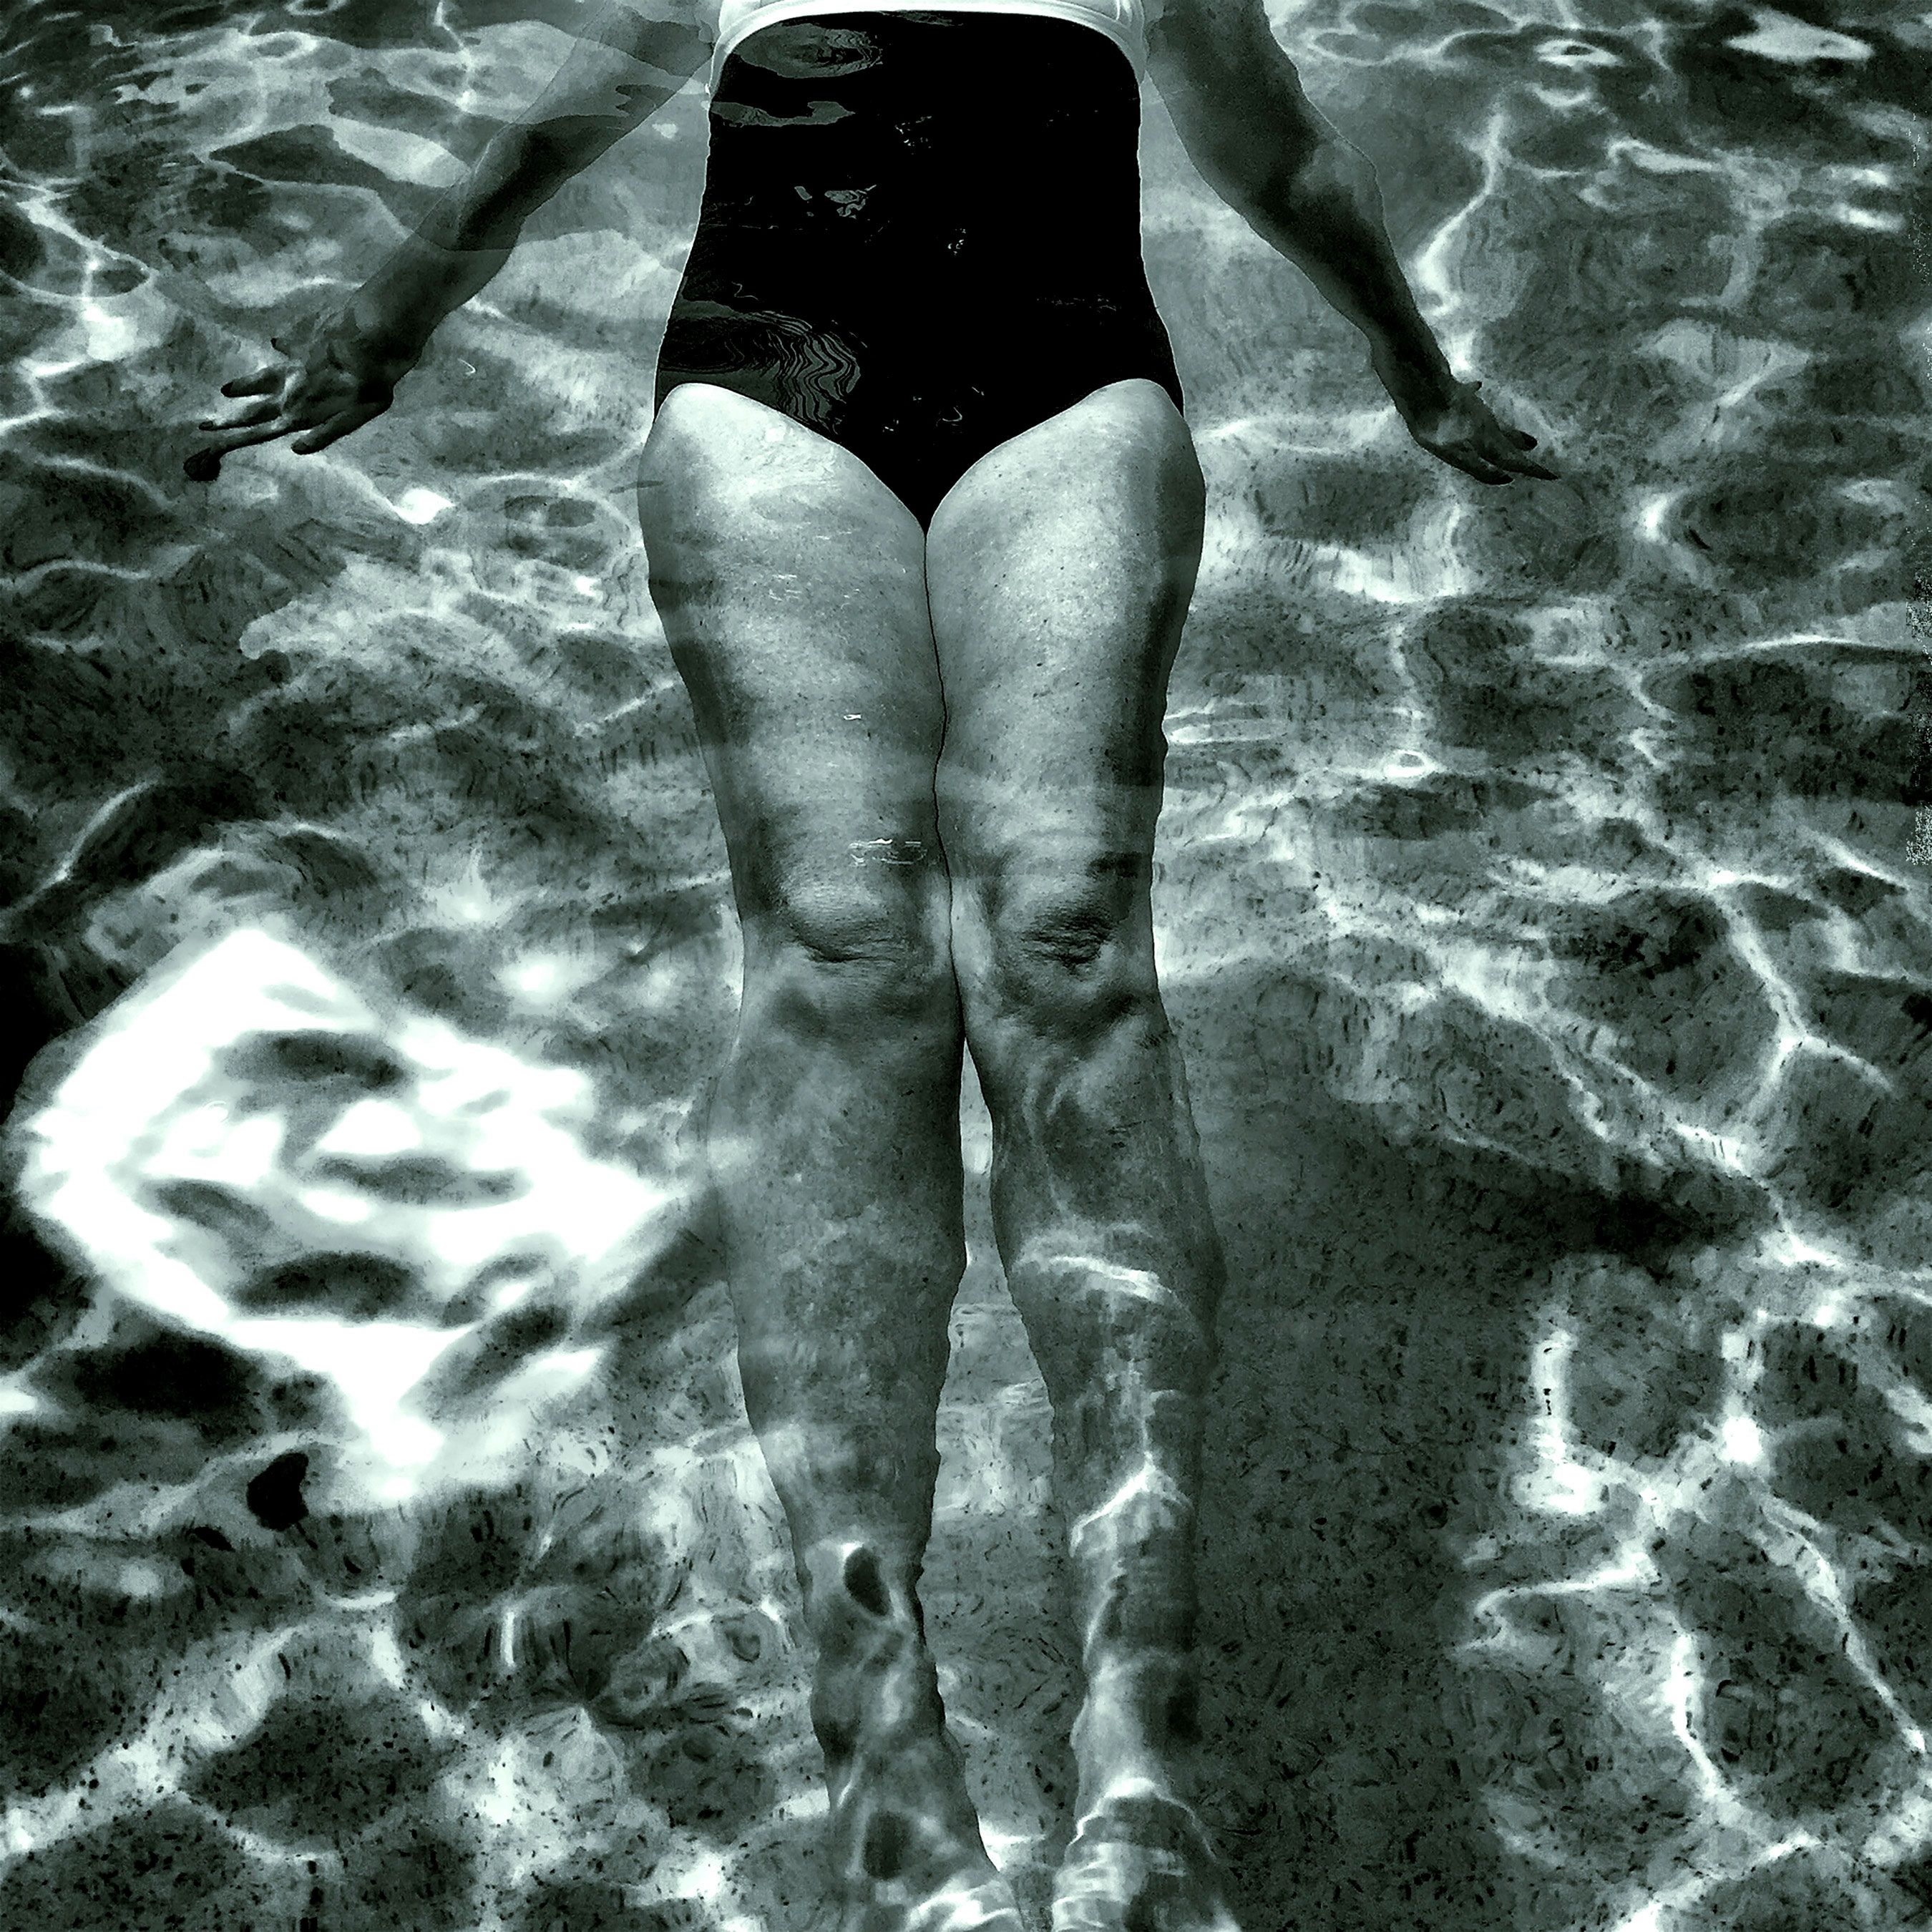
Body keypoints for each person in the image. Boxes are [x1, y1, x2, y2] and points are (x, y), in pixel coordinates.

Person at [190, 2, 1556, 1926]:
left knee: (1066, 939)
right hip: (772, 389)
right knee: (843, 947)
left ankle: (1142, 1757)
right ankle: (881, 1736)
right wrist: (384, 325)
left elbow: (1276, 146)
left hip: (1066, 385)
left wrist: (1417, 369)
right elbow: (552, 124)